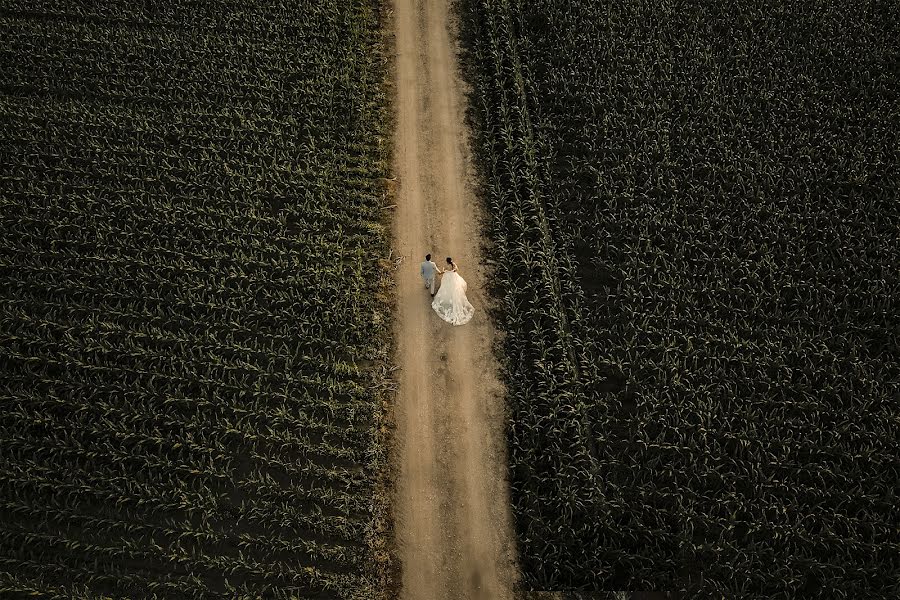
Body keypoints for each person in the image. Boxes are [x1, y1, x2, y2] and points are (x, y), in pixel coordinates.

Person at [432, 257, 474, 326]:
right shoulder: (453, 264)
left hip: (448, 277)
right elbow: (456, 269)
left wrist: (441, 272)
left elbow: (443, 271)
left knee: (446, 287)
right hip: (453, 277)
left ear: (447, 261)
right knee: (455, 288)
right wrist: (453, 271)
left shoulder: (446, 266)